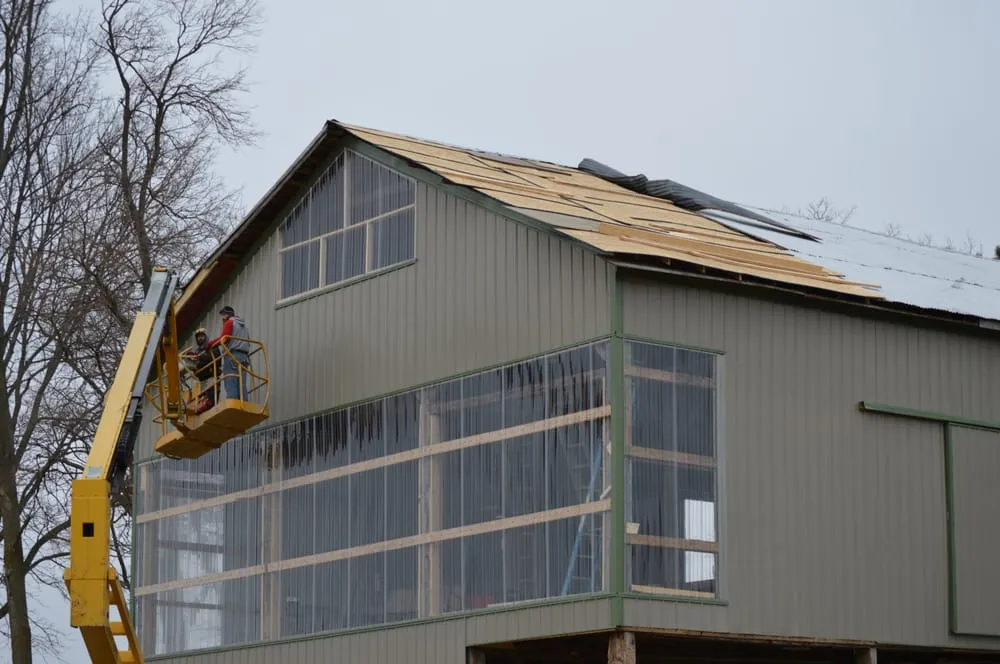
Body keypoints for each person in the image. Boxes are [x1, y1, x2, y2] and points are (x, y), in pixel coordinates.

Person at [208, 305, 250, 401]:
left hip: (232, 355)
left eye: (222, 316)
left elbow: (224, 338)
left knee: (231, 380)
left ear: (226, 315)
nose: (222, 319)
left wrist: (210, 345)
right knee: (242, 383)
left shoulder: (229, 323)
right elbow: (248, 342)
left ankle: (232, 402)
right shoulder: (244, 327)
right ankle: (244, 402)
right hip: (244, 357)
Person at [192, 328, 218, 413]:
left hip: (211, 378)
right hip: (201, 381)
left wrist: (200, 357)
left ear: (206, 336)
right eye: (198, 337)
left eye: (202, 336)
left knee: (210, 402)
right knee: (200, 404)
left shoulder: (212, 346)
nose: (200, 338)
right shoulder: (197, 351)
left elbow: (214, 358)